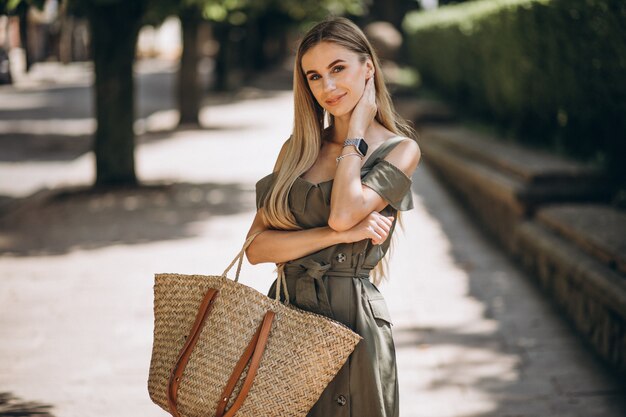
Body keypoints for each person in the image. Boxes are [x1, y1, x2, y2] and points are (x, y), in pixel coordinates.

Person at [245, 16, 421, 417]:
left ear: (368, 68)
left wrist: (355, 134)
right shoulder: (298, 148)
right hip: (287, 314)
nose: (328, 87)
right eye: (314, 76)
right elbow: (256, 248)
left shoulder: (401, 150)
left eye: (338, 69)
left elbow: (343, 213)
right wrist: (333, 236)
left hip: (353, 319)